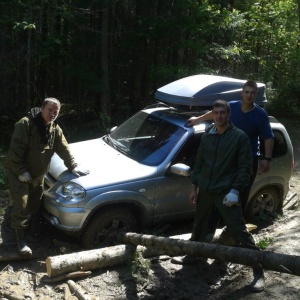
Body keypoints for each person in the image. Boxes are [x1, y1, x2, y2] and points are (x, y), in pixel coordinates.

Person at [172, 99, 265, 292]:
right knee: (200, 224)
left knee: (238, 229)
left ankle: (258, 270)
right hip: (206, 189)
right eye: (216, 113)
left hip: (226, 191)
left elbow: (245, 167)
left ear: (229, 114)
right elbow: (200, 162)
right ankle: (192, 255)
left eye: (222, 113)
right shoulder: (208, 136)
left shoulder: (239, 137)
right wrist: (194, 186)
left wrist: (235, 190)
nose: (219, 116)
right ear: (212, 115)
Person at [5, 98, 89, 256]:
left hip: (38, 174)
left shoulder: (54, 129)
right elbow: (15, 152)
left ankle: (28, 229)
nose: (53, 114)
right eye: (50, 110)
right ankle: (20, 240)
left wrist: (73, 165)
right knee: (22, 203)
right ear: (42, 108)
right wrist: (21, 171)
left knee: (35, 203)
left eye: (56, 111)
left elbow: (64, 148)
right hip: (18, 173)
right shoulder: (25, 125)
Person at [187, 80, 274, 215]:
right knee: (224, 191)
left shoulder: (260, 114)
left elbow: (268, 137)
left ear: (256, 95)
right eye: (246, 92)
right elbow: (214, 113)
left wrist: (267, 158)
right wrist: (198, 119)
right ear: (241, 93)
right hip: (229, 157)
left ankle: (235, 228)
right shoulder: (232, 107)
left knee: (240, 195)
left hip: (248, 159)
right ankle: (221, 225)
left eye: (252, 93)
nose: (249, 95)